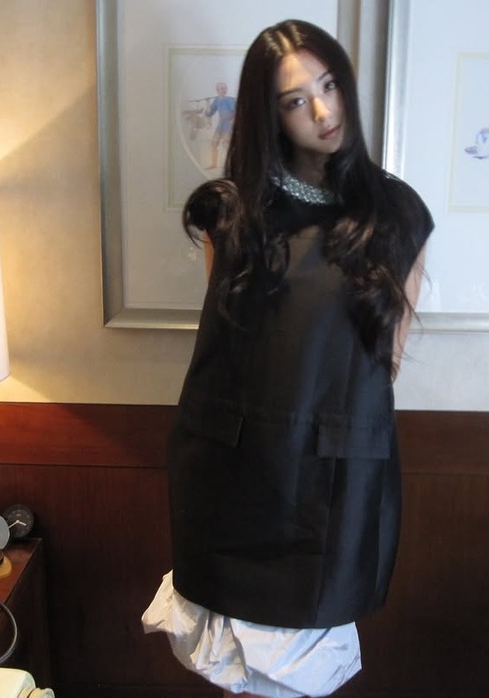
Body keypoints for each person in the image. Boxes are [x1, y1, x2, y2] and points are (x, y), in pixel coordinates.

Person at [142, 18, 433, 698]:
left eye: (329, 86)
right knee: (231, 672)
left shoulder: (397, 214)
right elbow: (223, 347)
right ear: (268, 114)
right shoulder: (230, 213)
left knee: (301, 676)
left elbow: (387, 359)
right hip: (233, 473)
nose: (323, 111)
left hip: (334, 480)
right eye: (296, 100)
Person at [204, 81, 236, 170]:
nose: (224, 90)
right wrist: (207, 103)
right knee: (214, 143)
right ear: (217, 90)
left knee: (226, 145)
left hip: (228, 125)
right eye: (222, 88)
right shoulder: (216, 100)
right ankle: (214, 164)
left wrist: (230, 118)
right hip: (221, 125)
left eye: (225, 88)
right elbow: (209, 114)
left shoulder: (229, 99)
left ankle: (232, 165)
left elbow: (235, 111)